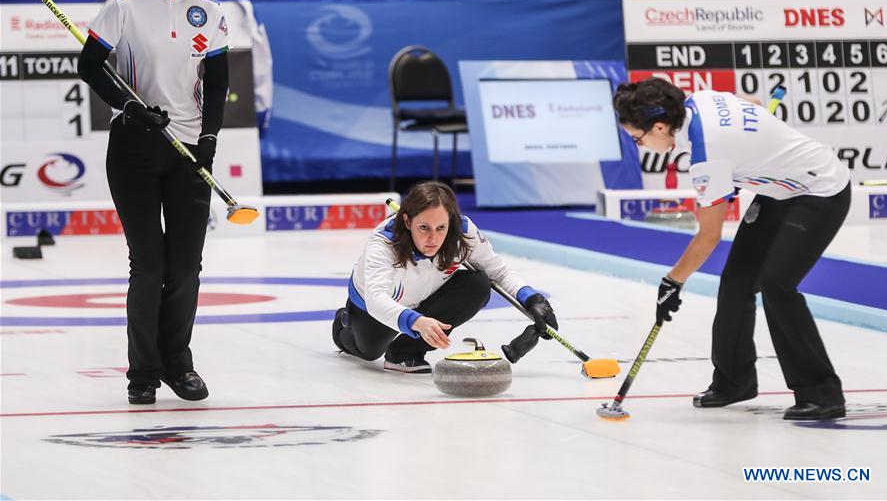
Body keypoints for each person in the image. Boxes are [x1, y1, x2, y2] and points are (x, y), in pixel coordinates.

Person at [614, 77, 850, 421]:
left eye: (638, 137)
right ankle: (733, 380)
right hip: (779, 189)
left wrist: (672, 282)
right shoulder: (700, 100)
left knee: (776, 284)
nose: (640, 144)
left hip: (819, 190)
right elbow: (752, 107)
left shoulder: (707, 153)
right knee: (738, 279)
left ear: (661, 126)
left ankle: (822, 393)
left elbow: (708, 236)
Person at [77, 0, 229, 405]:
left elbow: (219, 79)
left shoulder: (211, 10)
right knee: (148, 263)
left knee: (185, 266)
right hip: (135, 151)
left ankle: (178, 365)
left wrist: (209, 139)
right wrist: (130, 107)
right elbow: (90, 65)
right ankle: (142, 372)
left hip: (188, 153)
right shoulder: (126, 6)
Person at [332, 181, 558, 373]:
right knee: (368, 351)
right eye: (424, 227)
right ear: (408, 222)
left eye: (441, 227)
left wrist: (531, 298)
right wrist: (417, 321)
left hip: (426, 295)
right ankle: (344, 323)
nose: (433, 238)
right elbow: (376, 299)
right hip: (376, 304)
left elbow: (498, 271)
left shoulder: (463, 232)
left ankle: (404, 353)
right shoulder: (384, 242)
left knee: (478, 283)